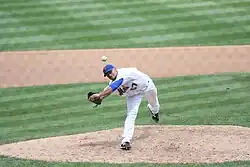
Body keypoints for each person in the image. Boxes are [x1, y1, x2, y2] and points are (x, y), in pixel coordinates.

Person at [89, 64, 160, 150]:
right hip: (133, 95)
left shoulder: (125, 74)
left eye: (110, 72)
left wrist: (100, 95)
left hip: (147, 86)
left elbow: (114, 86)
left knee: (155, 105)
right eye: (107, 74)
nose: (109, 75)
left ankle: (154, 111)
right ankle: (126, 140)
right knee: (131, 114)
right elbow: (109, 90)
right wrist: (100, 98)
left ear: (115, 69)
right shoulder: (112, 83)